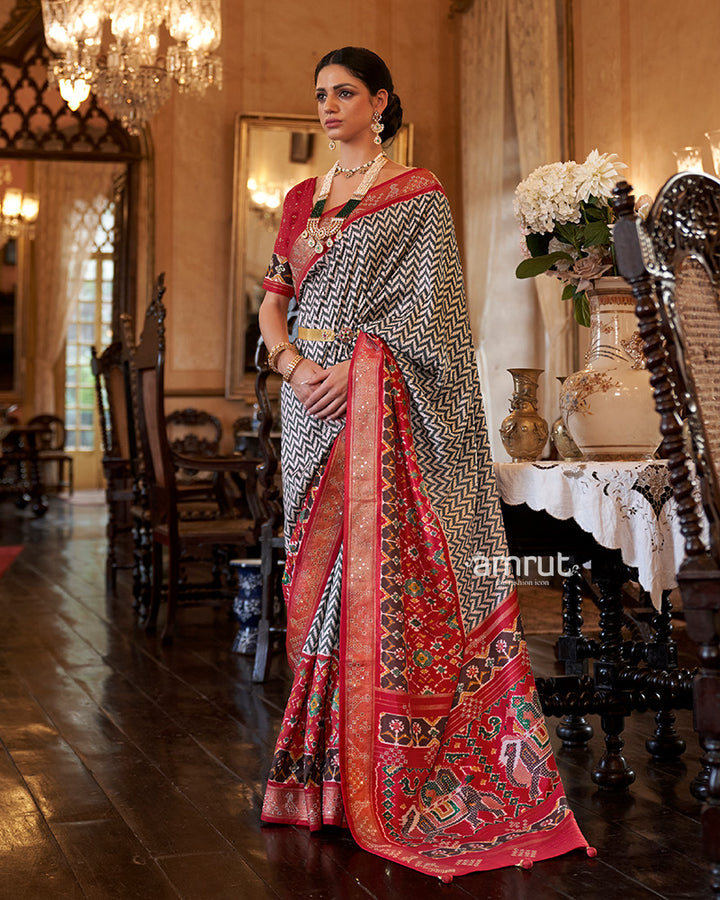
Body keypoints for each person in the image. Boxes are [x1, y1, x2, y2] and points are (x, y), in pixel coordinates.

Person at [258, 46, 588, 879]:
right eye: (320, 94)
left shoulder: (419, 197)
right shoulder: (301, 200)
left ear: (381, 103)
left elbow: (438, 330)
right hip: (308, 411)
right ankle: (319, 777)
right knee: (318, 575)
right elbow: (271, 307)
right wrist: (297, 368)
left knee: (365, 586)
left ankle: (370, 778)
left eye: (344, 94)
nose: (328, 107)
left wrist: (360, 370)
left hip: (376, 406)